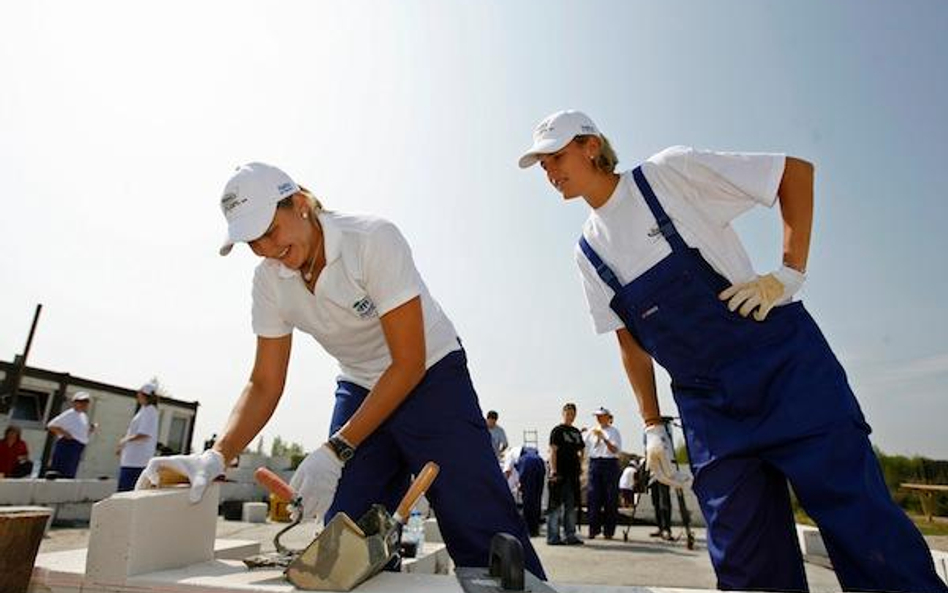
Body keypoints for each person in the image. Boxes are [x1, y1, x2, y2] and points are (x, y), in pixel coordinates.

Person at [519, 109, 948, 592]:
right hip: (710, 410)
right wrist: (653, 425)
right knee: (746, 564)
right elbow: (630, 344)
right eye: (542, 165)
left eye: (556, 156)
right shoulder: (589, 252)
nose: (550, 172)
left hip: (786, 374)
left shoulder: (666, 176)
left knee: (866, 531)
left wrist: (789, 274)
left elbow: (793, 173)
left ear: (591, 146)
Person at [137, 162, 544, 578]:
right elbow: (264, 382)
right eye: (252, 242)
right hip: (360, 382)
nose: (266, 248)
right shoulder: (269, 281)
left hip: (431, 374)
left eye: (270, 231)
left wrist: (336, 448)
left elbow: (408, 363)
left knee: (475, 516)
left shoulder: (371, 240)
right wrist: (218, 453)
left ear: (300, 204)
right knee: (345, 536)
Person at [547, 402, 584, 546]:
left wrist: (579, 464)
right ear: (563, 414)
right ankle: (553, 537)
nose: (570, 416)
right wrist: (553, 470)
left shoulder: (576, 432)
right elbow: (553, 451)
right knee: (555, 506)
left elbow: (581, 450)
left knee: (570, 506)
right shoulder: (557, 431)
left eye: (572, 414)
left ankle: (570, 535)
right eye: (567, 413)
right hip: (559, 472)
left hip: (572, 474)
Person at [584, 407, 622, 539]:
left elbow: (615, 450)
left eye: (601, 416)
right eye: (597, 416)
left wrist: (604, 440)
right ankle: (593, 528)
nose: (599, 418)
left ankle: (609, 530)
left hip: (609, 464)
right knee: (593, 497)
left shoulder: (614, 432)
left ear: (608, 417)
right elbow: (585, 449)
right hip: (595, 463)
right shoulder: (591, 432)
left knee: (610, 498)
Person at [115, 381, 160, 491]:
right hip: (132, 459)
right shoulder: (144, 410)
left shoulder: (150, 411)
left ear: (142, 394)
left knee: (126, 491)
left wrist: (124, 441)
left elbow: (145, 434)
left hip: (137, 461)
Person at [46, 391, 95, 478]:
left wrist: (90, 429)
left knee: (70, 473)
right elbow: (51, 425)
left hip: (77, 447)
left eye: (86, 402)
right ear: (74, 402)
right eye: (81, 401)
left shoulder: (83, 416)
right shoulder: (69, 413)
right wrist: (65, 434)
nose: (84, 404)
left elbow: (82, 431)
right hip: (68, 445)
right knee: (61, 472)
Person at [504, 445, 546, 537]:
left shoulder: (509, 454)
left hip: (527, 463)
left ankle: (529, 530)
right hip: (540, 463)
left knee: (528, 499)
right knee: (536, 498)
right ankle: (535, 528)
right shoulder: (527, 449)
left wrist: (503, 487)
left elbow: (507, 472)